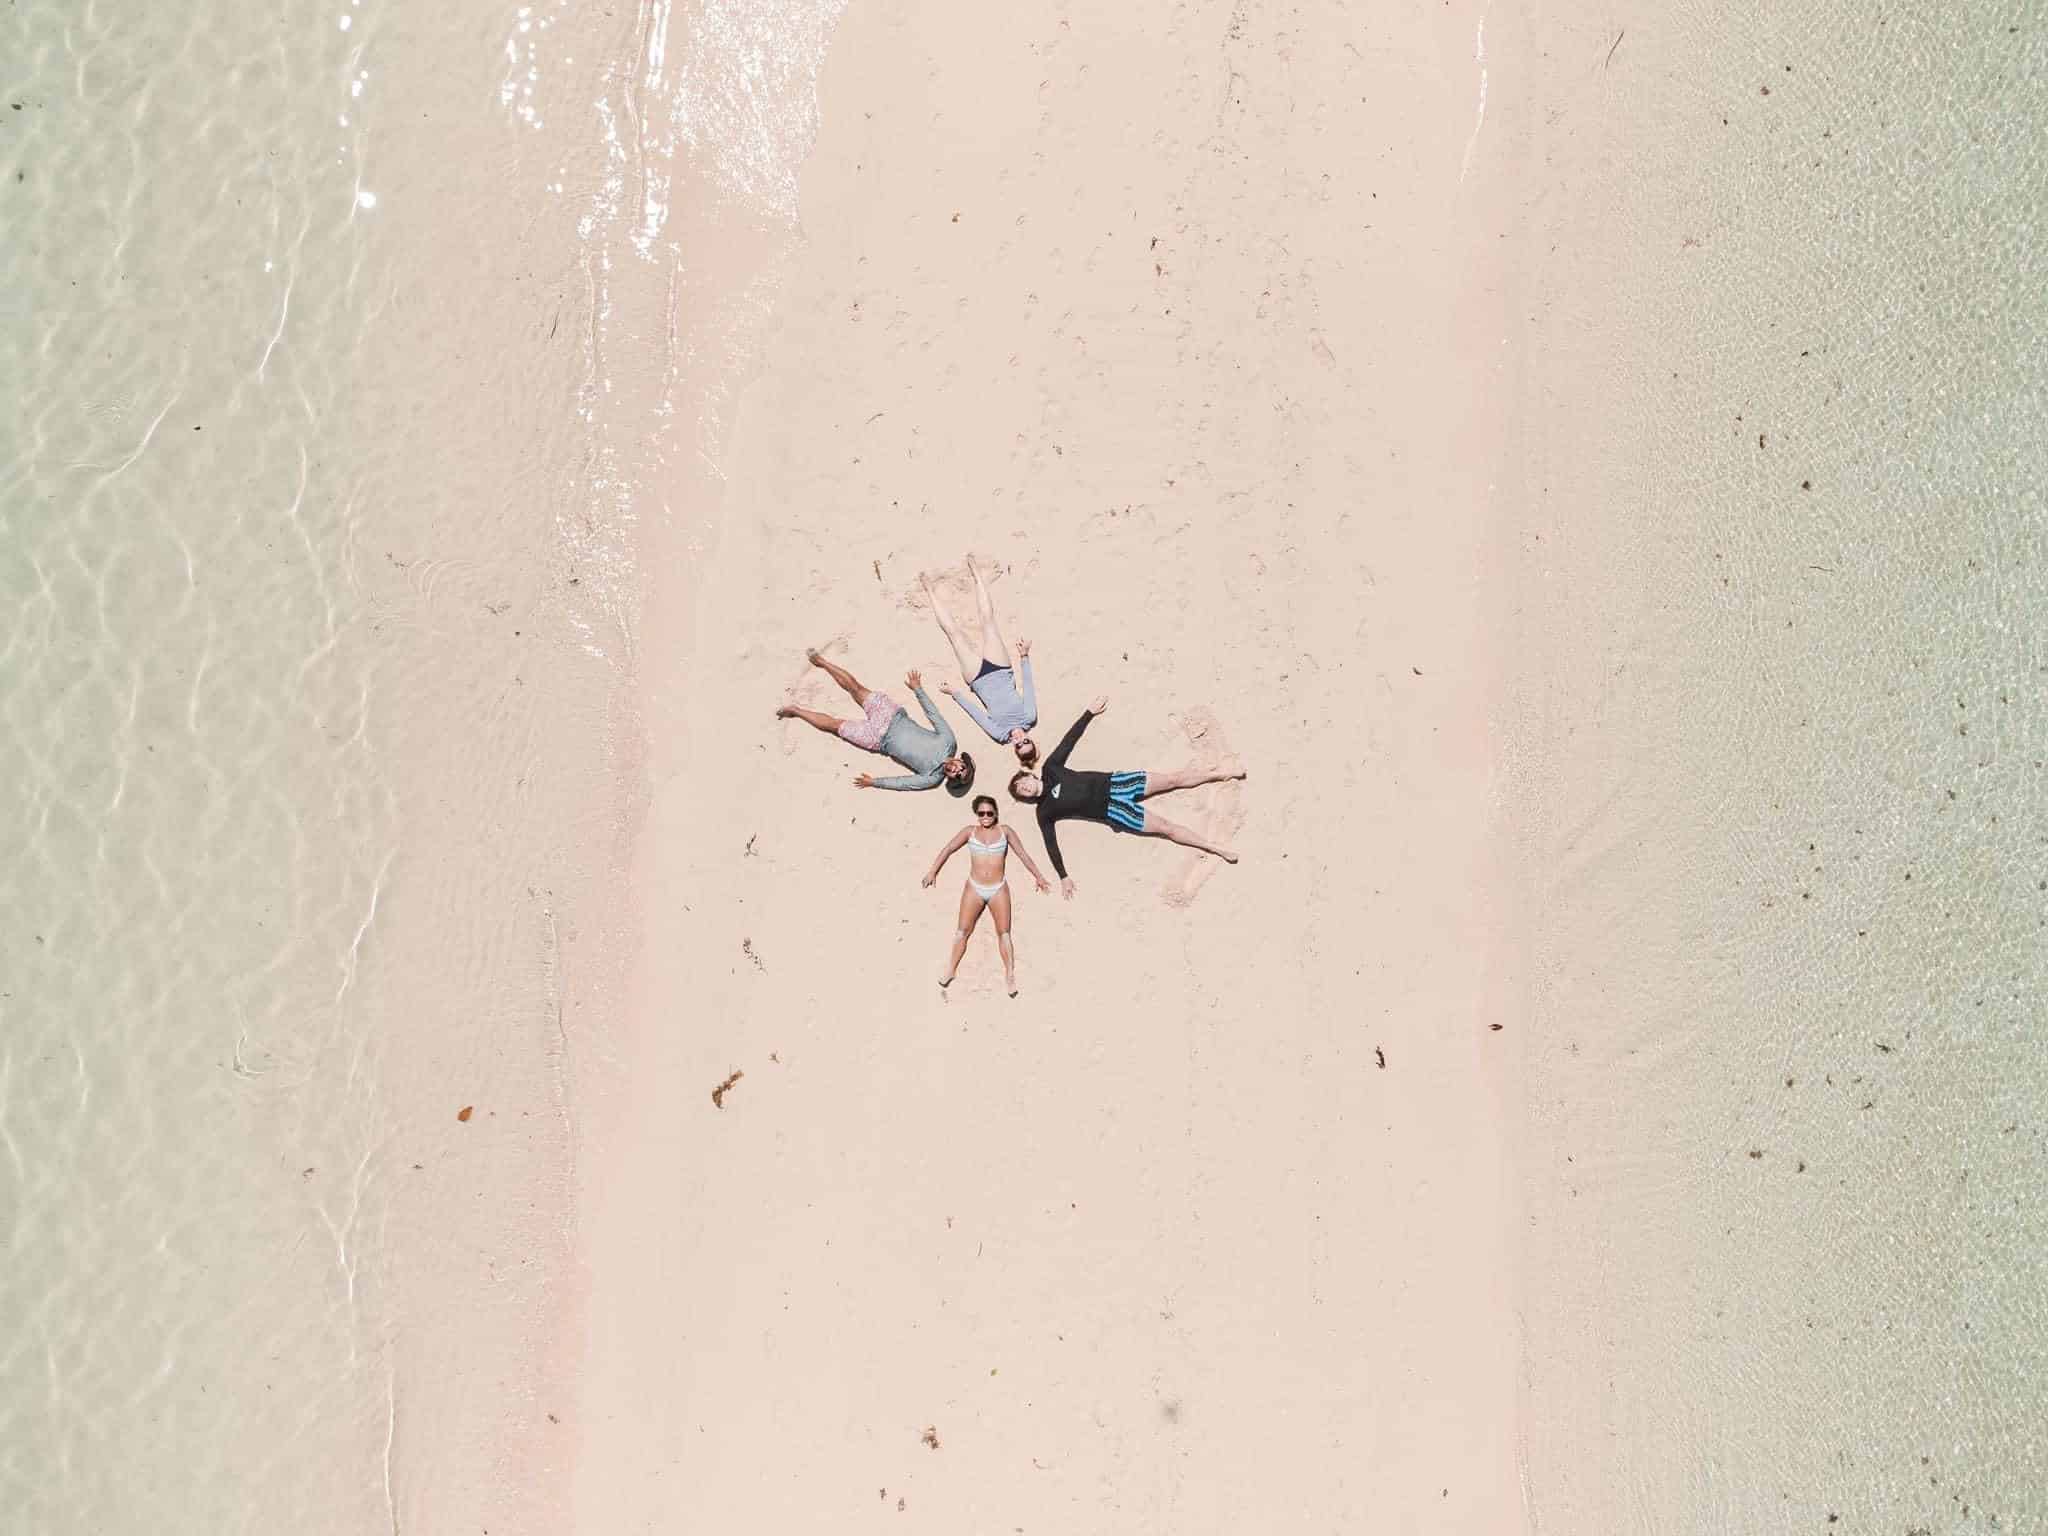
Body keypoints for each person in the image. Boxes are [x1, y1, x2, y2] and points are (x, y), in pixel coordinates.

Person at [1007, 696, 1242, 897]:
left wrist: (1089, 713)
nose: (1025, 787)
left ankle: (1220, 774)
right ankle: (1215, 848)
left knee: (1173, 780)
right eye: (1021, 791)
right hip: (1114, 812)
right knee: (1166, 828)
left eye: (1023, 782)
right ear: (1025, 797)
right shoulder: (1044, 811)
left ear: (1029, 775)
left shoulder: (1050, 768)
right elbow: (1050, 843)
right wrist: (1063, 876)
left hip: (1117, 783)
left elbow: (1068, 742)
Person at [776, 650, 974, 793]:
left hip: (877, 740)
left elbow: (903, 783)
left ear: (951, 779)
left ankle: (795, 710)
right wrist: (918, 689)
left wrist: (874, 782)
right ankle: (821, 661)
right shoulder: (949, 742)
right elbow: (934, 715)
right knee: (856, 688)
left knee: (835, 726)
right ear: (960, 761)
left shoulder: (931, 778)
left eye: (957, 776)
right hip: (891, 715)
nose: (956, 771)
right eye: (962, 769)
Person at [922, 794, 1051, 996]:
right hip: (974, 887)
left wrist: (1039, 876)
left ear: (996, 813)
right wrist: (933, 871)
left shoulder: (1005, 831)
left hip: (998, 888)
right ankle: (951, 969)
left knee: (1004, 933)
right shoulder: (969, 831)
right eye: (981, 813)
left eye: (989, 813)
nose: (985, 817)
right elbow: (949, 848)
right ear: (977, 814)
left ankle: (1010, 975)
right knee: (962, 931)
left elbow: (1023, 854)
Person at [920, 556, 1039, 764]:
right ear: (1030, 738)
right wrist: (1024, 656)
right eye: (1026, 741)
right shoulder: (1029, 717)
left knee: (955, 635)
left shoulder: (999, 734)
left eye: (1019, 746)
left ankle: (929, 590)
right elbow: (1028, 688)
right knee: (988, 622)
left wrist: (955, 693)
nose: (1020, 739)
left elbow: (977, 714)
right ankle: (976, 574)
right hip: (1001, 669)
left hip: (977, 678)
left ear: (1014, 748)